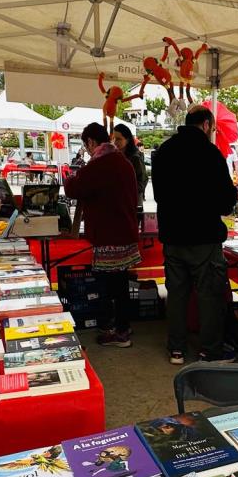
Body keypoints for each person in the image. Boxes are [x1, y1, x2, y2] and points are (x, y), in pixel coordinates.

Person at [152, 106, 237, 364]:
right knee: (209, 296)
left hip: (173, 236)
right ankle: (210, 351)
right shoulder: (211, 154)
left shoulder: (163, 152)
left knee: (177, 295)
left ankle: (176, 349)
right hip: (204, 237)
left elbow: (158, 195)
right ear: (206, 125)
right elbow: (226, 202)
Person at [63, 123, 141, 348]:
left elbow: (73, 188)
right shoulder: (122, 161)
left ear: (90, 141)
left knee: (109, 285)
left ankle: (117, 331)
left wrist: (70, 177)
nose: (87, 150)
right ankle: (123, 326)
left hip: (109, 235)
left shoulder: (100, 163)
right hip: (125, 231)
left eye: (86, 145)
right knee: (121, 283)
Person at [111, 123, 148, 204]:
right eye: (114, 139)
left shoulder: (135, 158)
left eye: (118, 139)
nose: (115, 142)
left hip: (132, 202)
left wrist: (126, 189)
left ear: (127, 140)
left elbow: (142, 181)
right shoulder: (116, 155)